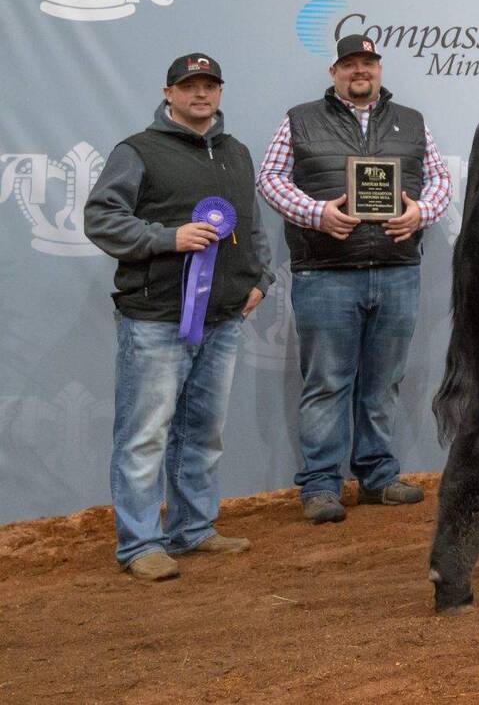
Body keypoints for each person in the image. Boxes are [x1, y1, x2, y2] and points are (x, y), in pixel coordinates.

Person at [84, 53, 271, 581]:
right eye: (190, 85)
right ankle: (140, 544)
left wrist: (261, 279)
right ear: (168, 93)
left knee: (203, 432)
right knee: (145, 433)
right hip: (155, 317)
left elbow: (252, 225)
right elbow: (101, 218)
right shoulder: (137, 151)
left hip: (225, 317)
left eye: (210, 84)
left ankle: (192, 530)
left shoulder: (236, 152)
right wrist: (168, 238)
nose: (201, 94)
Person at [257, 34, 451, 523]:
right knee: (326, 382)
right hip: (326, 272)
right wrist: (317, 212)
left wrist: (420, 213)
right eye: (349, 64)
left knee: (384, 382)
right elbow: (270, 178)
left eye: (367, 62)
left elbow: (440, 180)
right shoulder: (300, 119)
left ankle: (377, 477)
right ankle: (321, 485)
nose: (359, 71)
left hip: (397, 269)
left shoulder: (412, 122)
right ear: (334, 73)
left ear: (379, 70)